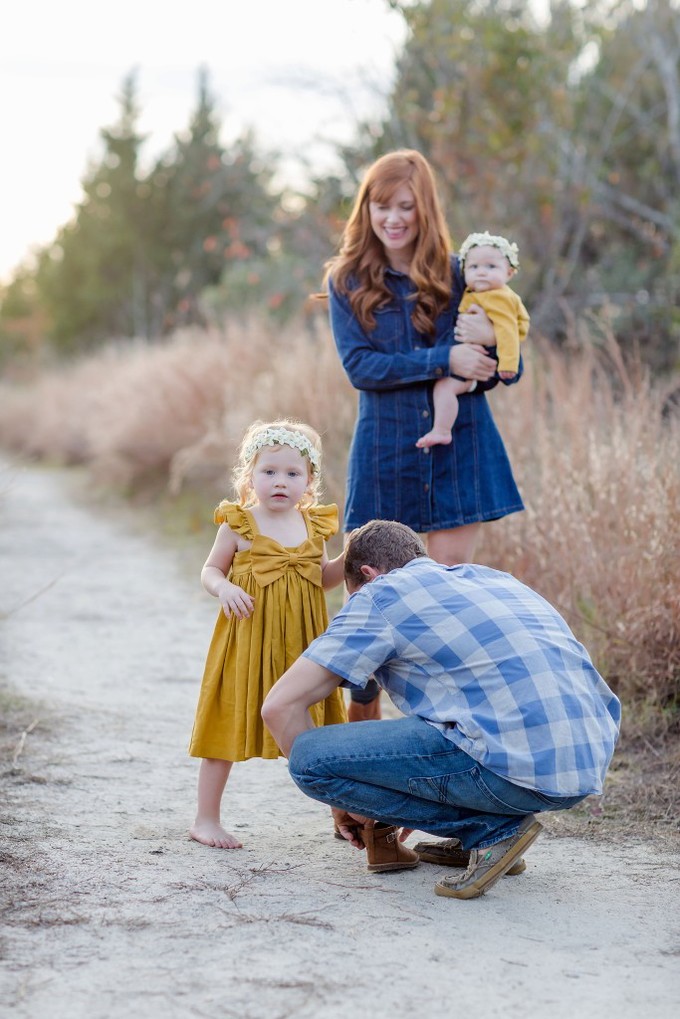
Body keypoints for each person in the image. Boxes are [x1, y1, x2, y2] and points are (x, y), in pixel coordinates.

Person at [262, 520, 621, 900]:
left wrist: (342, 798)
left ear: (367, 575)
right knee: (443, 721)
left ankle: (492, 830)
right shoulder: (494, 579)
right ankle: (491, 828)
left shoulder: (379, 595)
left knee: (309, 759)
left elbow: (279, 707)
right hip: (586, 763)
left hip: (515, 768)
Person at [323, 149, 524, 721]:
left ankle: (432, 773)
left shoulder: (463, 272)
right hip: (385, 450)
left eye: (405, 207)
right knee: (365, 607)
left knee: (445, 611)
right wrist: (446, 358)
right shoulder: (347, 279)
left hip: (460, 447)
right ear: (368, 207)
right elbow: (361, 368)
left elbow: (508, 366)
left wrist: (490, 349)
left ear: (424, 208)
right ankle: (358, 779)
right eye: (382, 205)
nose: (393, 218)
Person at [188, 419, 347, 849]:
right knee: (227, 715)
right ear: (250, 476)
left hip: (302, 641)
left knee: (319, 725)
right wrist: (223, 588)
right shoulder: (239, 523)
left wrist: (352, 557)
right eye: (269, 472)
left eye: (293, 474)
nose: (281, 482)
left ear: (310, 480)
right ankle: (206, 819)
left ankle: (345, 815)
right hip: (247, 639)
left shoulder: (313, 527)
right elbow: (209, 570)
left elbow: (324, 578)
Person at [416, 230, 530, 449]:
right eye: (474, 267)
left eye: (491, 267)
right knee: (443, 389)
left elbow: (507, 331)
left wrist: (507, 364)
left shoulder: (500, 298)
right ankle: (441, 429)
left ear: (509, 273)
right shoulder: (476, 292)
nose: (481, 273)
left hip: (479, 359)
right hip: (468, 356)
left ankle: (442, 430)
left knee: (444, 389)